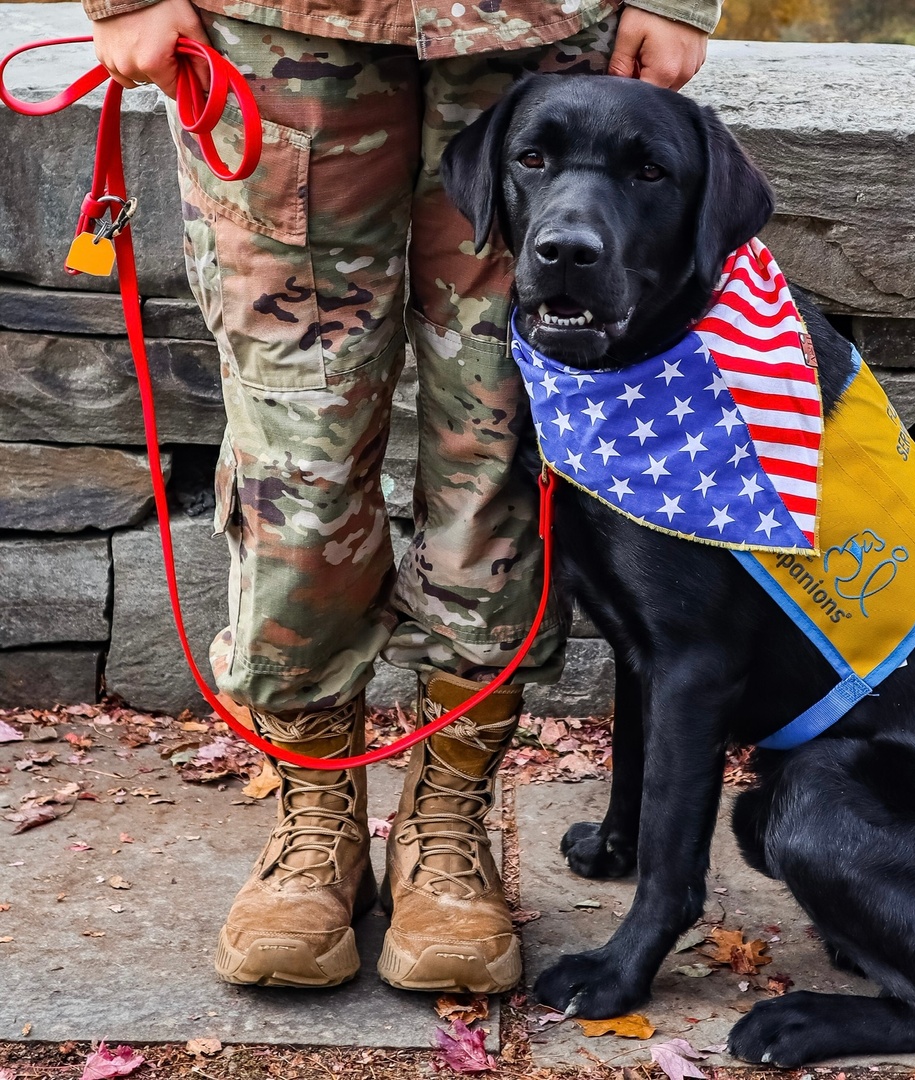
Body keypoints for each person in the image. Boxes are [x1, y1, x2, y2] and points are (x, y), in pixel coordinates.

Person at [82, 0, 716, 994]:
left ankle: (447, 820)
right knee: (301, 446)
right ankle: (316, 818)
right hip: (279, 32)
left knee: (507, 435)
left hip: (541, 28)